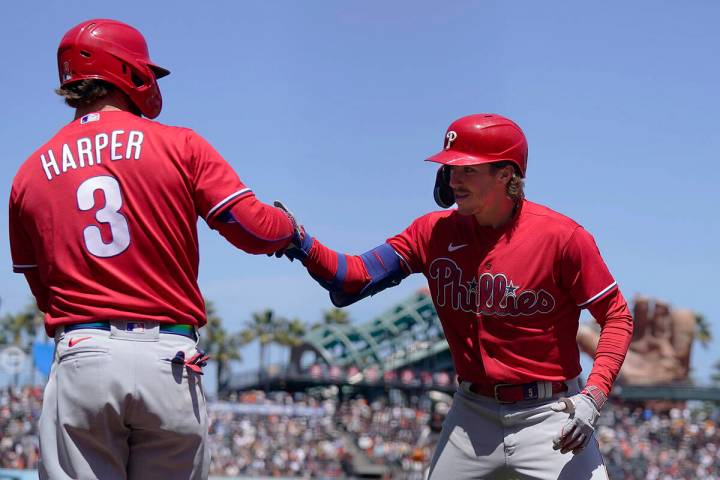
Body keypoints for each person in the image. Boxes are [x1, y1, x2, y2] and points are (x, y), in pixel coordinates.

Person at [9, 19, 297, 480]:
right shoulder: (178, 143)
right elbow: (256, 230)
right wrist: (294, 231)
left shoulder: (28, 174)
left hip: (83, 353)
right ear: (128, 71)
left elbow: (43, 290)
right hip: (169, 357)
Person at [280, 113, 634, 479]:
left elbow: (617, 316)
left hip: (551, 413)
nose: (454, 179)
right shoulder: (431, 233)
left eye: (468, 169)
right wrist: (302, 243)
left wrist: (593, 395)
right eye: (450, 168)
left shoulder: (563, 237)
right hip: (471, 414)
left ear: (506, 174)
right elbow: (354, 278)